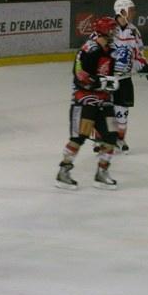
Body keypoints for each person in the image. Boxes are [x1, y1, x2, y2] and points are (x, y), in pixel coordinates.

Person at [55, 16, 119, 191]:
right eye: (112, 29)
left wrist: (110, 83)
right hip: (84, 101)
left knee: (112, 136)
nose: (114, 32)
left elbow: (108, 75)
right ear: (103, 30)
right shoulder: (89, 49)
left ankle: (101, 173)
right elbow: (80, 75)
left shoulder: (110, 50)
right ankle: (63, 172)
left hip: (104, 101)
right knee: (78, 138)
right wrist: (98, 82)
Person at [109, 0, 148, 154]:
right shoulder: (108, 28)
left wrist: (145, 68)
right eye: (131, 10)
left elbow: (138, 55)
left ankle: (119, 139)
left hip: (124, 78)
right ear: (122, 11)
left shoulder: (134, 31)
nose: (134, 13)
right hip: (107, 78)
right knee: (107, 110)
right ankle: (105, 139)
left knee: (122, 113)